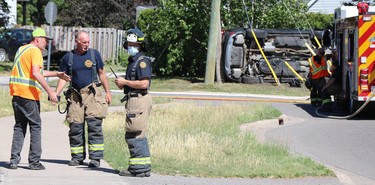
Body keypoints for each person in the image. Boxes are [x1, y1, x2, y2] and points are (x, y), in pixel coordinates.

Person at [8, 28, 70, 170]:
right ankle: (34, 162)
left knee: (19, 127)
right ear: (37, 39)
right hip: (29, 96)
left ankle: (14, 160)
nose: (46, 44)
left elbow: (38, 71)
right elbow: (36, 73)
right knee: (35, 126)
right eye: (44, 40)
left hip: (17, 95)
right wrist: (51, 92)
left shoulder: (22, 50)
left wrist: (57, 74)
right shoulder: (35, 51)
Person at [55, 30, 112, 168]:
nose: (87, 44)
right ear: (77, 42)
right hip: (75, 96)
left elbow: (102, 74)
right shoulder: (68, 58)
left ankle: (95, 158)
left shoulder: (94, 55)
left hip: (92, 95)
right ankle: (77, 157)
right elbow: (63, 78)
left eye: (88, 42)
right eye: (84, 42)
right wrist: (56, 93)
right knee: (75, 127)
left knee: (94, 126)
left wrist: (108, 92)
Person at [115, 28, 152, 177]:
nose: (131, 47)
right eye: (129, 44)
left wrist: (125, 81)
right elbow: (133, 82)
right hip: (133, 98)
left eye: (134, 44)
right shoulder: (134, 61)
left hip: (139, 99)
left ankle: (138, 169)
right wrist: (123, 84)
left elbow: (144, 84)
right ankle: (142, 167)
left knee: (134, 133)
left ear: (140, 46)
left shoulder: (142, 62)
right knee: (136, 132)